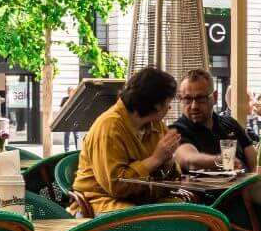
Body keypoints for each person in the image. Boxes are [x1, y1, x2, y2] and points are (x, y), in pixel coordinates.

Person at [71, 66, 182, 214]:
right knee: (138, 219)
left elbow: (173, 182)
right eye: (168, 102)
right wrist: (156, 159)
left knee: (191, 213)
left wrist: (168, 160)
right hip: (99, 202)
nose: (169, 108)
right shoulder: (109, 127)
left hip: (142, 200)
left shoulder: (156, 125)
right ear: (156, 104)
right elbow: (116, 186)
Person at [169, 69, 258, 171]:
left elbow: (254, 162)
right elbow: (190, 161)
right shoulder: (176, 130)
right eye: (187, 99)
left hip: (245, 185)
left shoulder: (230, 124)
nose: (194, 106)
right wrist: (222, 161)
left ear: (215, 97)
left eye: (200, 98)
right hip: (205, 187)